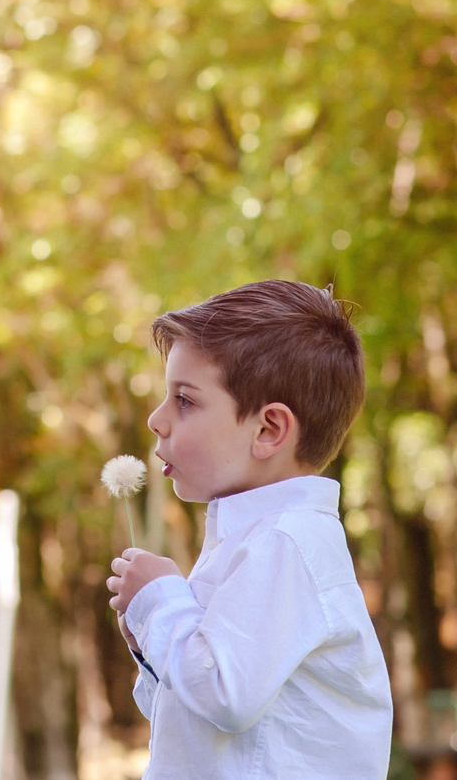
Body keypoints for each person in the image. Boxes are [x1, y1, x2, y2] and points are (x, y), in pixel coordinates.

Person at [106, 280, 392, 779]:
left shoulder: (285, 543)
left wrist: (164, 603)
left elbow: (226, 693)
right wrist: (149, 636)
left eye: (185, 400)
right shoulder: (249, 542)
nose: (156, 419)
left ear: (268, 430)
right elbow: (190, 721)